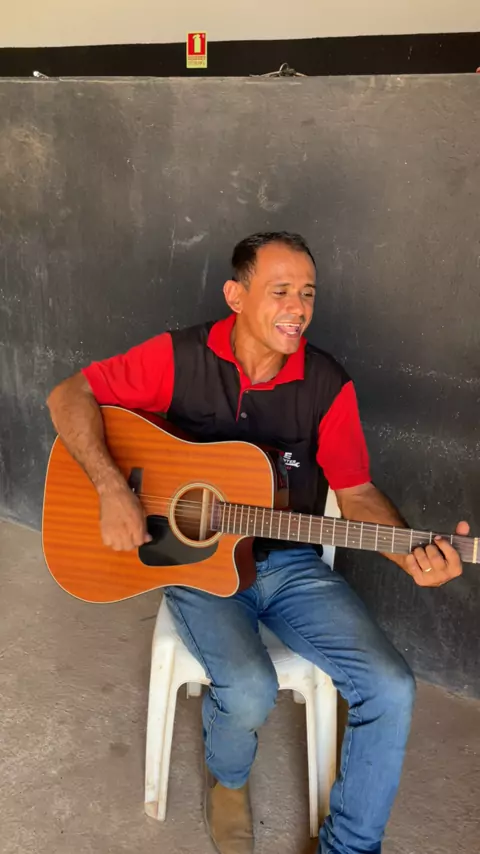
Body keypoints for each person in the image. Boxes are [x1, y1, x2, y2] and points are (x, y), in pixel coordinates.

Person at [47, 232, 466, 854]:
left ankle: (350, 846)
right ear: (236, 295)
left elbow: (355, 492)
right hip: (194, 563)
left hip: (291, 565)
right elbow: (68, 396)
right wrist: (111, 487)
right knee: (248, 688)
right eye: (281, 291)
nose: (298, 308)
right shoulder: (178, 358)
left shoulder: (327, 384)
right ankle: (229, 780)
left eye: (308, 294)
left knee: (391, 686)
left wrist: (410, 552)